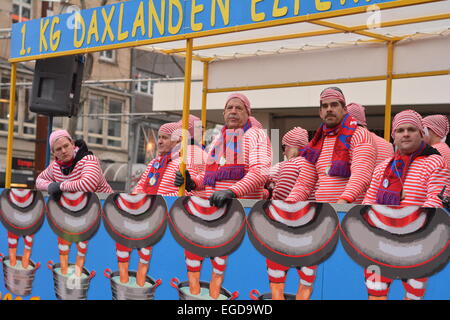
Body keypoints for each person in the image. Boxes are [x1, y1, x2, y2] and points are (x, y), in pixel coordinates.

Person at [174, 93, 272, 299]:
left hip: (242, 219)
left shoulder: (256, 135)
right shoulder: (219, 139)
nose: (233, 111)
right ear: (224, 113)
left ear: (248, 113)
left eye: (239, 108)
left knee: (234, 275)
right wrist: (192, 182)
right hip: (214, 220)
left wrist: (233, 192)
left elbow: (260, 172)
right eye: (229, 108)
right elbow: (210, 177)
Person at [362, 109, 450, 300]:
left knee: (412, 296)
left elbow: (435, 203)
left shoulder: (435, 163)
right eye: (400, 130)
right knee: (375, 294)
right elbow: (368, 203)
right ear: (394, 136)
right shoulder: (382, 167)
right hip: (380, 245)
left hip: (416, 246)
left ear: (421, 134)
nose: (406, 134)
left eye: (411, 129)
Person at [36, 129, 112, 276]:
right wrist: (49, 186)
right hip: (78, 217)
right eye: (59, 149)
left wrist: (59, 186)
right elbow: (39, 181)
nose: (64, 151)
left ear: (72, 143)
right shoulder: (55, 167)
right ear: (53, 153)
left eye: (66, 145)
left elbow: (87, 185)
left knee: (96, 259)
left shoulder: (89, 159)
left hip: (103, 215)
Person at [286, 87, 377, 204]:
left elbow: (361, 175)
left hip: (351, 213)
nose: (329, 109)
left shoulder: (359, 134)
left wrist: (342, 203)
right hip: (326, 214)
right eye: (325, 106)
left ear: (344, 109)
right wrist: (288, 205)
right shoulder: (316, 142)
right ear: (320, 112)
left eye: (334, 105)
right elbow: (304, 184)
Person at [270, 127, 315, 200]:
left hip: (296, 210)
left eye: (283, 147)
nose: (283, 152)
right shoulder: (314, 164)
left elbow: (280, 196)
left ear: (290, 146)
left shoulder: (293, 164)